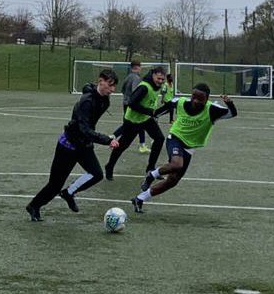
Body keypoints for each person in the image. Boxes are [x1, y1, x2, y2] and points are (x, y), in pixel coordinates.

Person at [25, 69, 120, 221]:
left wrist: (100, 139)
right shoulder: (86, 101)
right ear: (100, 81)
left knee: (97, 174)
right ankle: (34, 206)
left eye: (114, 86)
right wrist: (107, 140)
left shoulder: (105, 101)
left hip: (84, 145)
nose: (113, 90)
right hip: (68, 146)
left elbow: (89, 127)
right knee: (54, 185)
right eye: (110, 85)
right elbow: (84, 129)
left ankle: (68, 193)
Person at [131, 83, 237, 213]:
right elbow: (159, 112)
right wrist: (152, 117)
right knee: (177, 164)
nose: (195, 101)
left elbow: (232, 113)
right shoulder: (180, 102)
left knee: (173, 181)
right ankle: (151, 175)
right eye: (194, 96)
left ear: (207, 98)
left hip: (189, 147)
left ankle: (139, 198)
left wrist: (229, 103)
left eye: (200, 98)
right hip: (175, 138)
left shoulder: (212, 109)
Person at [104, 66, 167, 180]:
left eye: (163, 79)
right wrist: (149, 111)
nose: (160, 81)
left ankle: (150, 168)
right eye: (159, 78)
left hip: (145, 119)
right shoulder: (144, 87)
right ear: (153, 75)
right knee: (123, 146)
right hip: (133, 121)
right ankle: (109, 166)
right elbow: (131, 103)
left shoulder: (156, 86)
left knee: (159, 138)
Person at [112, 61, 148, 153]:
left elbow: (123, 89)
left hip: (125, 103)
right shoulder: (136, 78)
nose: (141, 69)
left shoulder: (128, 77)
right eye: (140, 67)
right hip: (132, 105)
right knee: (139, 123)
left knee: (129, 124)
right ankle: (142, 145)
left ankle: (114, 136)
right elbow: (135, 92)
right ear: (137, 67)